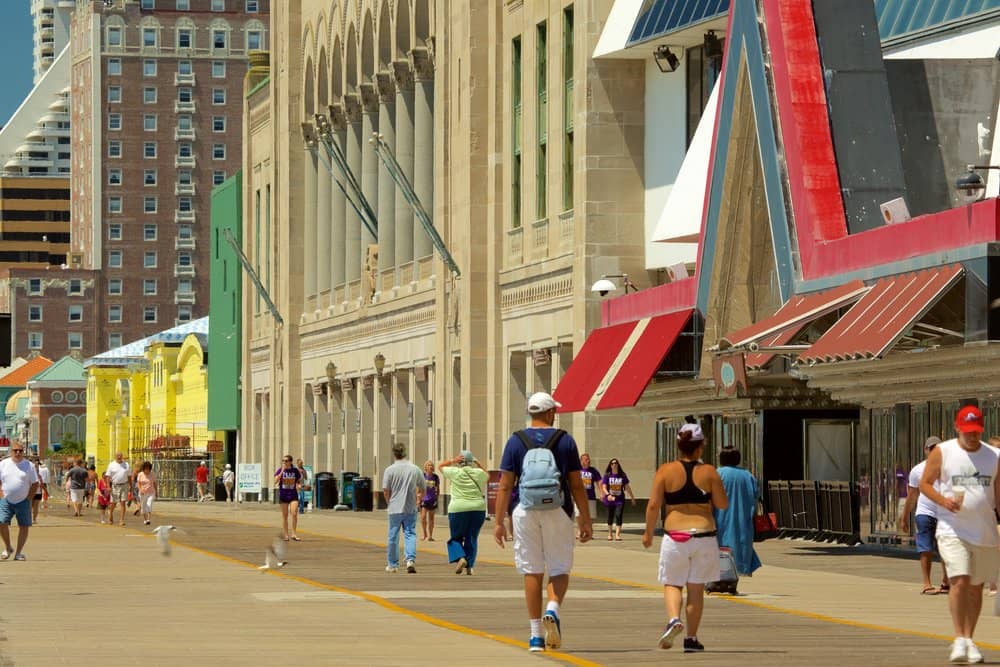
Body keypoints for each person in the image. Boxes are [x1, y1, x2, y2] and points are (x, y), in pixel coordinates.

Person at [493, 392, 592, 653]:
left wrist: (499, 522)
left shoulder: (515, 441)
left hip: (524, 510)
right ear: (550, 413)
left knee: (532, 570)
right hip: (558, 509)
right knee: (559, 568)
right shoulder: (565, 440)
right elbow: (576, 485)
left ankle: (536, 636)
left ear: (531, 413)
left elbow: (504, 486)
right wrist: (585, 519)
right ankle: (553, 608)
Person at [919, 405, 1000, 664]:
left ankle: (969, 638)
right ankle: (958, 637)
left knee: (976, 588)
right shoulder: (944, 452)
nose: (971, 436)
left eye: (975, 431)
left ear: (982, 429)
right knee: (960, 579)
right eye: (966, 431)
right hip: (951, 528)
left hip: (984, 531)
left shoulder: (995, 456)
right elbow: (924, 484)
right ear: (957, 428)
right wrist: (943, 501)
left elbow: (998, 492)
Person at [642, 423, 728, 653]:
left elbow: (653, 505)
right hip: (704, 535)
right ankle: (691, 638)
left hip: (675, 536)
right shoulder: (709, 472)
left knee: (672, 583)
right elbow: (722, 504)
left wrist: (648, 532)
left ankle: (673, 620)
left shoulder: (665, 471)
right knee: (696, 588)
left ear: (679, 446)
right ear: (700, 447)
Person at [899, 436, 949, 594]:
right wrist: (904, 517)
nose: (934, 450)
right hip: (925, 513)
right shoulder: (917, 470)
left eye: (938, 447)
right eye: (931, 448)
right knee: (925, 548)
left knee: (946, 548)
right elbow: (912, 495)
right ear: (926, 450)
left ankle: (946, 581)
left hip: (945, 513)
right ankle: (927, 583)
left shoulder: (951, 467)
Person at [713, 448, 761, 577]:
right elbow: (756, 496)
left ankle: (723, 577)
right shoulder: (747, 475)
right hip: (743, 519)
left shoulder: (717, 474)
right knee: (741, 547)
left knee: (720, 548)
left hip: (720, 519)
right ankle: (736, 575)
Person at [439, 451, 487, 575]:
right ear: (471, 462)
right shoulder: (478, 473)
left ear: (460, 462)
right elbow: (487, 475)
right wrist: (478, 463)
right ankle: (470, 567)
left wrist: (452, 460)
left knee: (455, 538)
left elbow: (440, 466)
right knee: (472, 537)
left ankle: (461, 558)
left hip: (458, 509)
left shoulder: (455, 472)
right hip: (478, 509)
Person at [382, 443, 425, 574]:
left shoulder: (389, 470)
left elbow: (385, 490)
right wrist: (418, 500)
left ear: (394, 454)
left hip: (394, 508)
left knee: (393, 536)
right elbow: (423, 487)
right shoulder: (414, 469)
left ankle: (392, 564)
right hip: (410, 507)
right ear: (405, 452)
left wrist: (389, 502)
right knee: (410, 534)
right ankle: (410, 560)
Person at [0, 444, 39, 561]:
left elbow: (35, 483)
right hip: (6, 499)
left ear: (23, 452)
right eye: (15, 450)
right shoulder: (3, 464)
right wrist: (1, 495)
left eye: (20, 450)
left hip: (23, 501)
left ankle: (18, 552)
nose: (18, 453)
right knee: (1, 522)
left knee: (24, 526)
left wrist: (28, 498)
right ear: (11, 451)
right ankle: (8, 547)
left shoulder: (29, 465)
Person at [600, 458, 636, 541]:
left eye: (616, 463)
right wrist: (608, 495)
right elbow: (604, 487)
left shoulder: (622, 475)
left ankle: (617, 535)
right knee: (610, 516)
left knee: (618, 515)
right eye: (612, 463)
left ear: (618, 465)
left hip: (620, 500)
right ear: (610, 465)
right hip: (610, 499)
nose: (614, 464)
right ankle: (609, 534)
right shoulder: (607, 475)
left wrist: (632, 497)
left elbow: (627, 487)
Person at [273, 455, 302, 541]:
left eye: (286, 461)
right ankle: (286, 535)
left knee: (294, 513)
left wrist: (298, 485)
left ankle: (294, 533)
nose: (284, 462)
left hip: (293, 495)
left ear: (290, 462)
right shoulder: (280, 470)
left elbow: (298, 480)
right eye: (283, 461)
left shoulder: (295, 471)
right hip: (283, 495)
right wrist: (282, 471)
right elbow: (275, 481)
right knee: (285, 516)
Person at [105, 452, 130, 526]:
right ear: (115, 456)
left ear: (122, 456)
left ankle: (121, 520)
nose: (119, 457)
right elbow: (108, 477)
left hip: (124, 485)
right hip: (115, 486)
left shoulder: (126, 465)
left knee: (123, 502)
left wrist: (130, 486)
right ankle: (110, 513)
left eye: (120, 455)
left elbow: (129, 476)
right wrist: (108, 486)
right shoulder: (111, 465)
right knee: (113, 503)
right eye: (117, 456)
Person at [577, 453, 601, 527]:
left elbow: (599, 482)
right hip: (579, 497)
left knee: (591, 515)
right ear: (582, 461)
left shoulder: (593, 470)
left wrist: (601, 492)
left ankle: (589, 530)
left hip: (591, 496)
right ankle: (580, 531)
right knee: (579, 514)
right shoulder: (577, 470)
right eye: (586, 459)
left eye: (588, 459)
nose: (588, 460)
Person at [419, 460, 440, 541]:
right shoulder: (423, 476)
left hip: (432, 499)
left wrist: (436, 498)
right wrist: (418, 498)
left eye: (431, 465)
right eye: (428, 465)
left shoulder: (435, 477)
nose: (430, 466)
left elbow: (438, 489)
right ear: (425, 467)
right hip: (424, 499)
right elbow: (419, 487)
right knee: (423, 517)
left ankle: (430, 536)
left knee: (431, 518)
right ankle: (425, 534)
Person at [136, 461, 157, 526]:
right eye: (145, 469)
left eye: (148, 469)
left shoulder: (152, 474)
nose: (147, 471)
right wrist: (140, 489)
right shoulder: (140, 474)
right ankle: (145, 520)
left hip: (151, 492)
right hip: (143, 493)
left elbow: (155, 483)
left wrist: (156, 492)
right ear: (143, 469)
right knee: (143, 506)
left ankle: (148, 519)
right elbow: (138, 483)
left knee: (149, 504)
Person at [30, 457, 44, 523]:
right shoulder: (39, 476)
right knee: (36, 506)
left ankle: (29, 519)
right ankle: (34, 519)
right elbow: (42, 484)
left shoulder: (30, 475)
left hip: (31, 492)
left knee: (30, 506)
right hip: (38, 492)